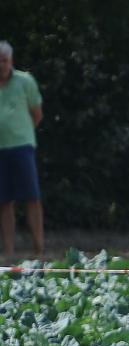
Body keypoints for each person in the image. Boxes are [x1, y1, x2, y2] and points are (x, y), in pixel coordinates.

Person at [0, 40, 44, 259]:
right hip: (0, 150)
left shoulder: (25, 81)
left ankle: (39, 250)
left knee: (32, 197)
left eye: (4, 60)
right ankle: (8, 252)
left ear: (11, 61)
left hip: (22, 148)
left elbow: (37, 114)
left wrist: (22, 133)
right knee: (4, 201)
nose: (1, 64)